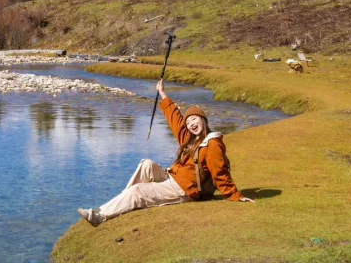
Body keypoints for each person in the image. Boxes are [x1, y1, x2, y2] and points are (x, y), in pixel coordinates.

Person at [78, 80, 252, 226]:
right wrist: (163, 94)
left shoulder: (212, 144)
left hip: (183, 189)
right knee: (146, 164)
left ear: (203, 120)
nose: (191, 123)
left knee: (138, 191)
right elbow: (175, 119)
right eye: (189, 120)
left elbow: (220, 172)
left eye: (194, 118)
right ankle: (119, 202)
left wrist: (235, 195)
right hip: (171, 177)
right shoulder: (190, 139)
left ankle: (100, 217)